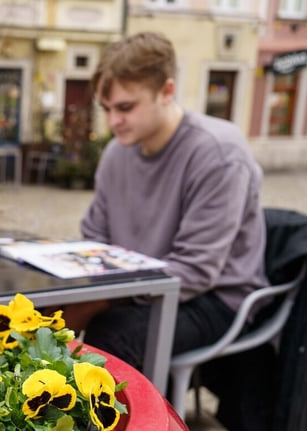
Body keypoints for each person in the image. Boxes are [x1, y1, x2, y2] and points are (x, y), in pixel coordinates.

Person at [67, 31, 269, 374]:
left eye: (125, 107)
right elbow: (93, 241)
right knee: (41, 321)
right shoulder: (117, 153)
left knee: (111, 337)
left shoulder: (218, 152)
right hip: (140, 288)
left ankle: (126, 429)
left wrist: (104, 297)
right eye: (107, 108)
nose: (113, 121)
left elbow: (196, 270)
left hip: (217, 299)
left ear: (167, 91)